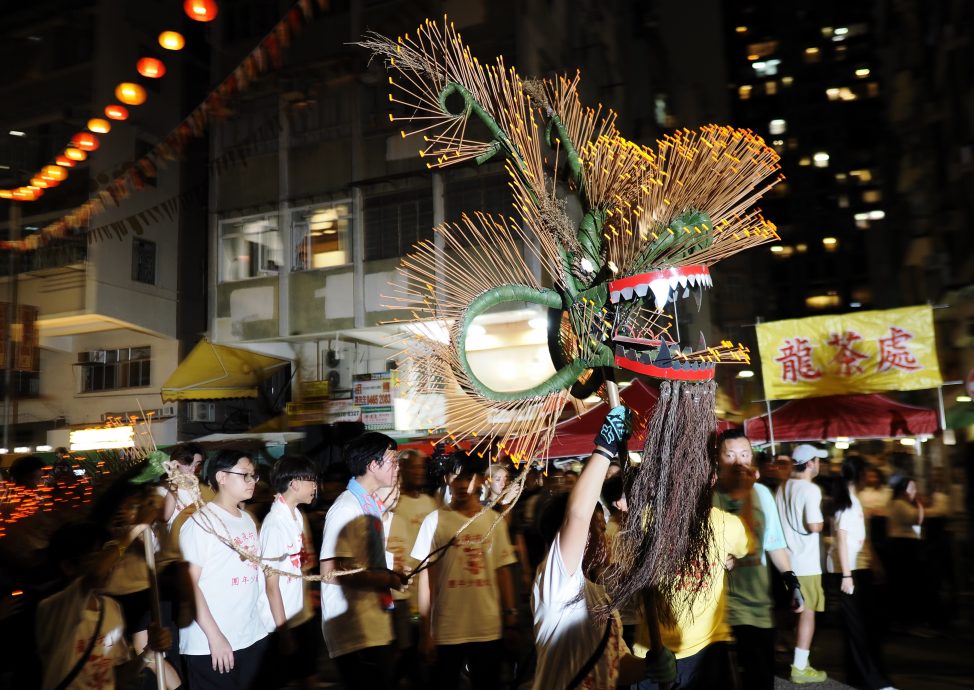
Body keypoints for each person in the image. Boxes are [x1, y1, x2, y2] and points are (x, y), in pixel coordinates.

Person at [532, 406, 676, 690]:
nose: (604, 536)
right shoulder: (559, 585)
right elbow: (577, 516)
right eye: (597, 529)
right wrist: (604, 448)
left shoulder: (602, 598)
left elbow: (616, 667)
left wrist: (649, 667)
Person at [411, 453, 518, 690]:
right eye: (455, 477)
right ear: (448, 480)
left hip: (487, 626)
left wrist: (510, 616)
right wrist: (426, 630)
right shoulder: (434, 521)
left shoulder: (493, 520)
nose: (461, 484)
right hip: (447, 628)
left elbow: (503, 571)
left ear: (481, 480)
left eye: (468, 477)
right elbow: (427, 577)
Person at [712, 429, 805, 690]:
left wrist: (792, 581)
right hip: (717, 610)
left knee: (760, 679)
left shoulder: (762, 494)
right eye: (730, 455)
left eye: (744, 454)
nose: (738, 461)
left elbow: (774, 545)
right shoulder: (708, 498)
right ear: (718, 459)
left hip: (757, 608)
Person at [36, 520, 171, 690]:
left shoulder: (111, 608)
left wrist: (149, 650)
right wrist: (136, 528)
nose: (111, 565)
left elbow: (118, 676)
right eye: (97, 557)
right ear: (68, 567)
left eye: (106, 555)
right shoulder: (53, 608)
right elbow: (96, 574)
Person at [319, 432, 406, 690]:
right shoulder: (346, 507)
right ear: (373, 465)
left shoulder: (369, 504)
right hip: (354, 631)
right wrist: (388, 578)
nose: (398, 466)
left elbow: (365, 562)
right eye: (393, 460)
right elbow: (331, 570)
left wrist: (392, 572)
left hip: (371, 625)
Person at [179, 449, 269, 688]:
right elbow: (189, 584)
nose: (252, 481)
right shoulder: (201, 522)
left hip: (250, 636)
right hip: (211, 644)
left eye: (254, 476)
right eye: (245, 475)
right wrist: (215, 637)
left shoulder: (247, 518)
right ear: (221, 477)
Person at [828, 455, 896, 690]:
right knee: (858, 627)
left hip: (858, 568)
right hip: (851, 571)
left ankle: (860, 678)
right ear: (858, 474)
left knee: (859, 626)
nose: (869, 477)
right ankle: (870, 680)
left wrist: (873, 563)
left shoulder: (852, 499)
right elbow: (842, 538)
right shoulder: (848, 501)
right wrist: (847, 575)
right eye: (866, 472)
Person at [259, 455, 319, 689]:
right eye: (311, 480)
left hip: (301, 614)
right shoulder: (274, 524)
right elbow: (271, 585)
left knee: (308, 676)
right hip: (280, 622)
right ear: (294, 484)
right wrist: (283, 632)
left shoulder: (297, 515)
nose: (315, 486)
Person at [776, 444, 829, 684]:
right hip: (806, 562)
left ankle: (801, 660)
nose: (820, 464)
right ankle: (799, 667)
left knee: (796, 612)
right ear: (810, 463)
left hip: (786, 560)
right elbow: (813, 525)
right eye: (818, 460)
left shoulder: (782, 486)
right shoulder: (810, 489)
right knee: (807, 614)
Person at [385, 449, 437, 687]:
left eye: (421, 467)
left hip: (428, 590)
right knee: (405, 649)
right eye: (413, 467)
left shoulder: (430, 503)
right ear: (402, 471)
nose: (418, 472)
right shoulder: (395, 503)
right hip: (402, 592)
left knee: (419, 649)